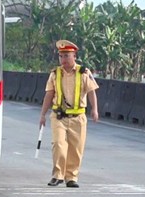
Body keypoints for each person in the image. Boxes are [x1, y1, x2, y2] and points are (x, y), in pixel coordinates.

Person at [38, 40, 99, 188]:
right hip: (59, 117)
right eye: (61, 56)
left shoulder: (84, 73)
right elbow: (49, 94)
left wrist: (94, 109)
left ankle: (71, 177)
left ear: (74, 56)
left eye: (66, 56)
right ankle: (57, 175)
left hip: (78, 117)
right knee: (58, 144)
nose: (63, 59)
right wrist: (43, 114)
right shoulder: (55, 74)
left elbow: (91, 92)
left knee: (76, 149)